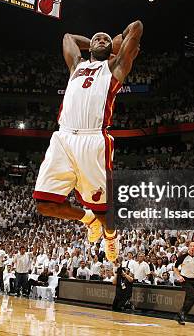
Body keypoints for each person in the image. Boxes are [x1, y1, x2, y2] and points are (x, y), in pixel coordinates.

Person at [33, 21, 144, 263]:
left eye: (105, 39)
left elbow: (137, 27)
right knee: (44, 204)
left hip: (93, 139)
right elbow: (67, 37)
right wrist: (96, 41)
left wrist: (116, 41)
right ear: (90, 47)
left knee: (105, 212)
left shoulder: (114, 66)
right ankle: (87, 219)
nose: (101, 40)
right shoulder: (76, 66)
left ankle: (111, 237)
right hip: (63, 138)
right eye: (97, 39)